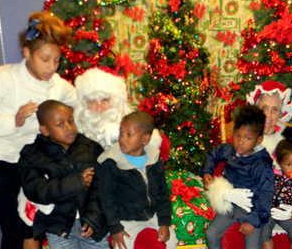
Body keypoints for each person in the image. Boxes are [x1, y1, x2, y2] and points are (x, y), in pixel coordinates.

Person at [0, 12, 76, 249]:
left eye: (56, 60)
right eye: (45, 59)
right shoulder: (2, 78)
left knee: (32, 226)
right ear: (27, 53)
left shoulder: (60, 87)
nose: (51, 67)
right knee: (14, 228)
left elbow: (81, 113)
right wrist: (13, 120)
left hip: (28, 164)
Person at [18, 100, 110, 249]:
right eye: (60, 124)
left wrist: (94, 218)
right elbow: (36, 190)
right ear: (45, 130)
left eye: (71, 121)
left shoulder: (90, 148)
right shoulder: (33, 155)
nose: (69, 128)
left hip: (93, 226)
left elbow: (103, 187)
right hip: (59, 228)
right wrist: (77, 182)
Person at [97, 111, 178, 249]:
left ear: (145, 139)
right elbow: (106, 199)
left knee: (171, 243)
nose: (122, 139)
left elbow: (162, 193)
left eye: (129, 135)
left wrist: (164, 222)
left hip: (152, 215)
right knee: (122, 246)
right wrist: (115, 227)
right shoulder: (111, 162)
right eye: (121, 133)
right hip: (126, 220)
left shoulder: (154, 158)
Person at [200, 105, 275, 249]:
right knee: (211, 234)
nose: (240, 142)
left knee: (252, 246)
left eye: (247, 138)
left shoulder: (261, 164)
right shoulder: (229, 150)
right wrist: (207, 172)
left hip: (251, 209)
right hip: (230, 205)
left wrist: (253, 221)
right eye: (237, 136)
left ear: (258, 140)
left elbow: (265, 194)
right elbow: (213, 155)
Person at [74, 67, 170, 161]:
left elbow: (163, 150)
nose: (99, 108)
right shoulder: (72, 132)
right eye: (92, 101)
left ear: (118, 102)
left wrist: (127, 134)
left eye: (105, 100)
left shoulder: (133, 120)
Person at [246, 80, 292, 175]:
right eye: (264, 107)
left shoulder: (289, 137)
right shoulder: (243, 134)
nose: (268, 114)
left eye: (274, 109)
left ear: (280, 113)